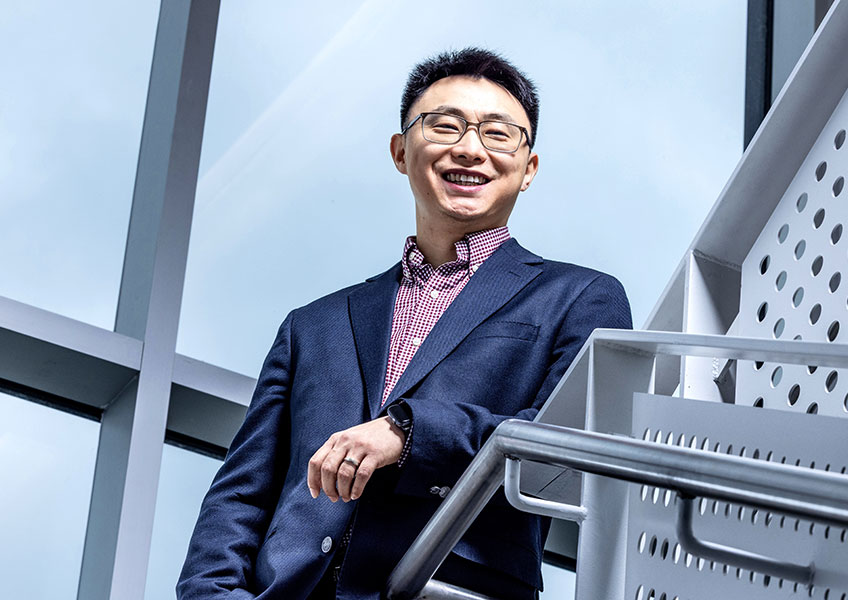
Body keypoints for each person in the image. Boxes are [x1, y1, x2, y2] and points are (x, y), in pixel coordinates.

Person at [177, 47, 631, 599]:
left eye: (498, 134)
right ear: (400, 151)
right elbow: (241, 494)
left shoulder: (580, 297)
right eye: (445, 126)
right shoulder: (310, 327)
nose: (470, 149)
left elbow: (565, 448)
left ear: (528, 168)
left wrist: (409, 433)